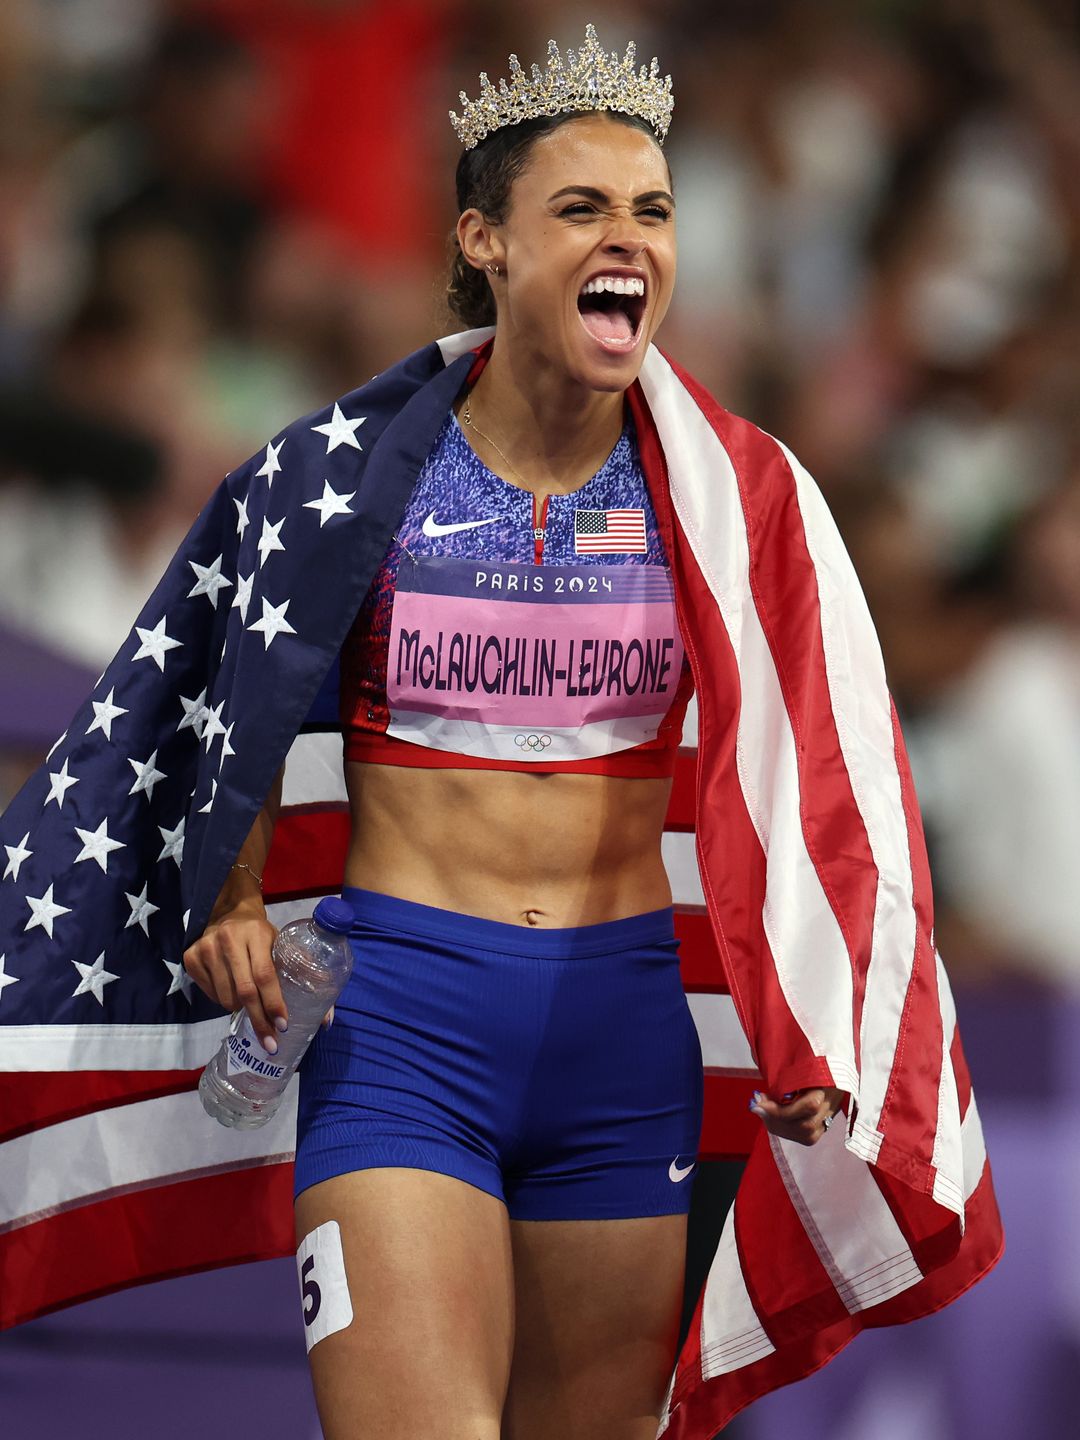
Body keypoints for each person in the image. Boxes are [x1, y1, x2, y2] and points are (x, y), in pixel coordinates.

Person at [0, 24, 1000, 1440]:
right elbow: (217, 707)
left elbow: (824, 768)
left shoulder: (737, 498)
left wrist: (821, 1026)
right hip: (402, 1026)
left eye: (653, 210)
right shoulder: (341, 483)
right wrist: (225, 897)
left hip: (620, 1038)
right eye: (582, 208)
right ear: (486, 239)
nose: (629, 239)